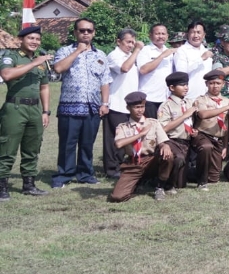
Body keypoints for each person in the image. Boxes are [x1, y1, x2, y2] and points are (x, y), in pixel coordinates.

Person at [51, 17, 112, 188]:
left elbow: (105, 81)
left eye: (89, 30)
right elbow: (58, 68)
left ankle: (85, 174)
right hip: (70, 107)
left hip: (92, 107)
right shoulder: (65, 50)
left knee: (87, 144)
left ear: (94, 33)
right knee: (67, 144)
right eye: (82, 30)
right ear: (75, 32)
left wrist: (105, 103)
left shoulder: (100, 55)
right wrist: (77, 51)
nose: (86, 33)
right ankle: (64, 175)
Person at [0, 25, 52, 200]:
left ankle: (29, 184)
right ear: (20, 40)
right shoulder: (11, 56)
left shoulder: (40, 61)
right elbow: (6, 74)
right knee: (7, 148)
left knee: (32, 148)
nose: (34, 42)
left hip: (35, 109)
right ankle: (2, 186)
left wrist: (46, 111)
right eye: (31, 38)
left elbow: (44, 87)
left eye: (37, 39)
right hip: (15, 108)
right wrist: (34, 63)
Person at [107, 92, 173, 202]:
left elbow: (162, 141)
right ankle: (138, 182)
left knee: (168, 155)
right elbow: (118, 144)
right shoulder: (123, 127)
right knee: (117, 197)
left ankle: (160, 187)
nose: (140, 110)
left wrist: (165, 145)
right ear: (128, 108)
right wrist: (140, 134)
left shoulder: (153, 123)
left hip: (151, 160)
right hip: (133, 163)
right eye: (136, 107)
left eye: (142, 107)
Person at [103, 28, 141, 179]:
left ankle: (121, 164)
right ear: (118, 41)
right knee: (114, 137)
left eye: (133, 42)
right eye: (128, 42)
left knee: (126, 136)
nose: (131, 45)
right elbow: (124, 68)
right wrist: (137, 50)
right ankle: (112, 168)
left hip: (129, 103)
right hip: (116, 103)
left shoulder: (130, 55)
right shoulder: (114, 56)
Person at [155, 72, 197, 194]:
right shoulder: (166, 106)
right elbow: (164, 128)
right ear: (172, 88)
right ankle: (161, 185)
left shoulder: (189, 103)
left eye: (187, 84)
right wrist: (185, 115)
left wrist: (194, 130)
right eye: (182, 85)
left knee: (181, 184)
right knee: (177, 159)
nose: (186, 87)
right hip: (172, 141)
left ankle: (170, 182)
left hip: (186, 142)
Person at [192, 70, 229, 190]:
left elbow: (226, 125)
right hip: (202, 135)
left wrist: (225, 145)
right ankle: (202, 182)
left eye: (218, 83)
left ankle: (187, 173)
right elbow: (203, 115)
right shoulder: (201, 100)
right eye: (212, 83)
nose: (215, 86)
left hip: (218, 138)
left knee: (214, 178)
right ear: (206, 84)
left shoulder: (226, 101)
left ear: (223, 84)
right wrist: (227, 107)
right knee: (206, 147)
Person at [136, 24, 175, 120]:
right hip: (149, 98)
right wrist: (162, 56)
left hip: (165, 98)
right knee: (150, 127)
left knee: (163, 127)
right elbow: (143, 70)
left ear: (167, 36)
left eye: (163, 34)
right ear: (150, 35)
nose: (160, 36)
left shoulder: (169, 52)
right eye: (157, 34)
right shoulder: (145, 50)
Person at [173, 20, 214, 99]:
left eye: (199, 32)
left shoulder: (206, 51)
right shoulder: (182, 51)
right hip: (188, 97)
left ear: (204, 35)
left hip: (206, 97)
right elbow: (181, 74)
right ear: (187, 34)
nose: (196, 35)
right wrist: (201, 59)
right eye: (192, 32)